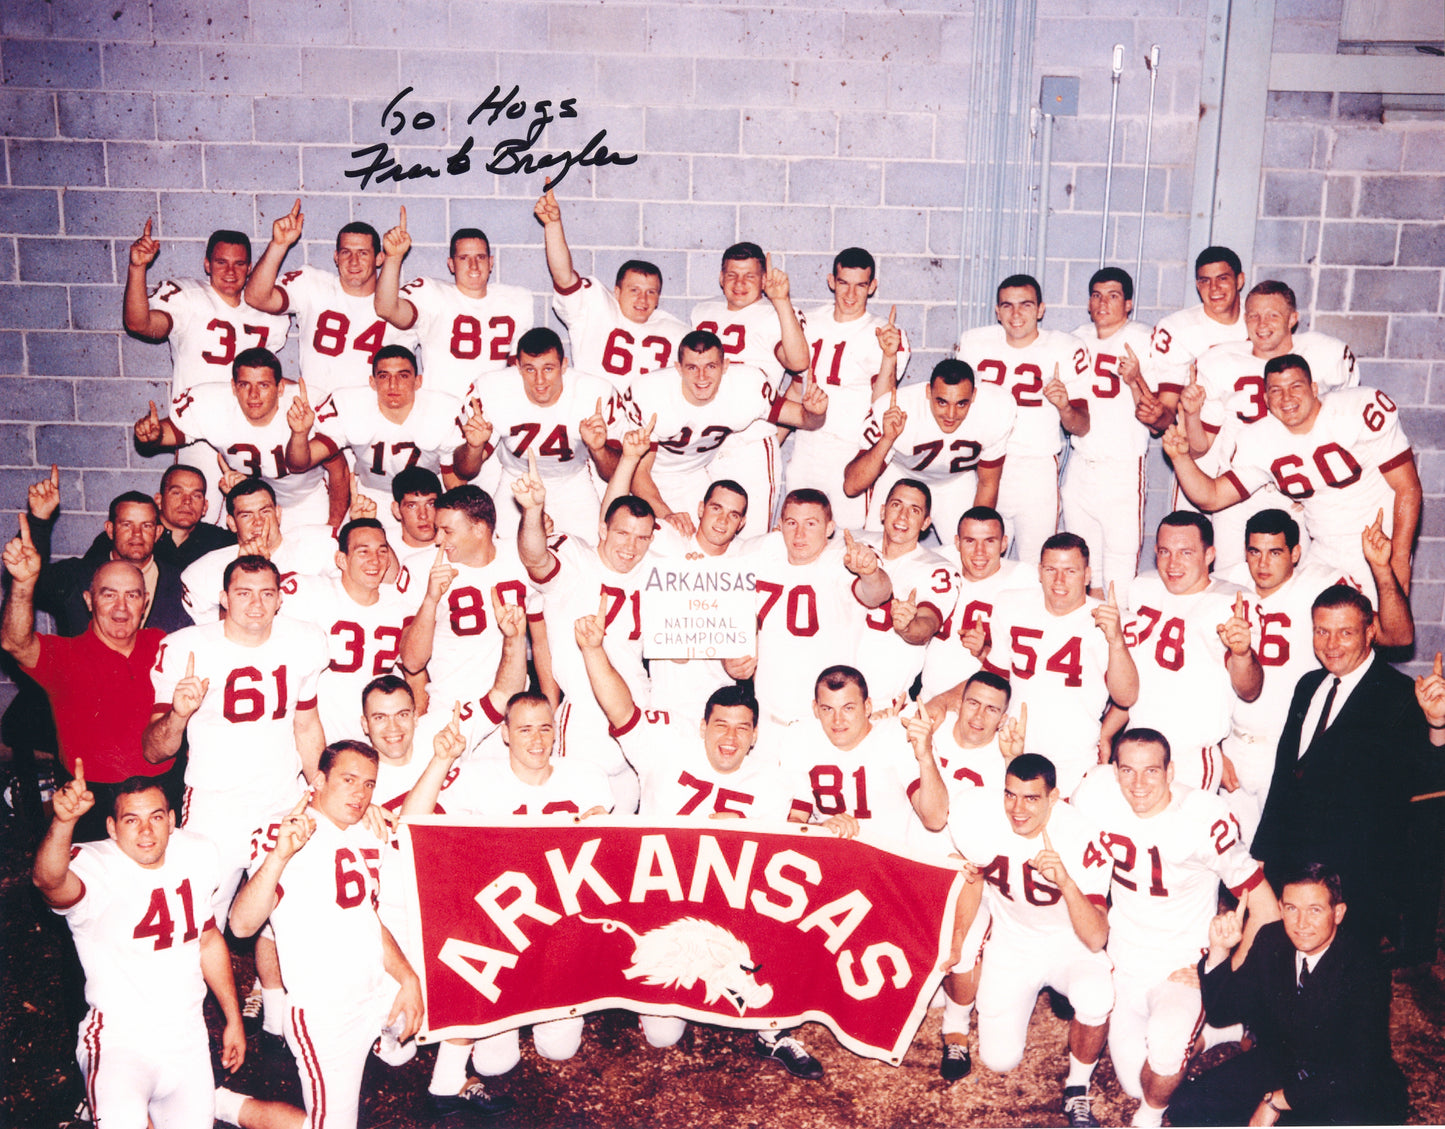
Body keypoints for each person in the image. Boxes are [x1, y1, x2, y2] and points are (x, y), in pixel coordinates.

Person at [574, 604, 823, 1078]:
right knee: (663, 1034)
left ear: (754, 736)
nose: (729, 739)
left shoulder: (770, 780)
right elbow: (620, 708)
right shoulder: (667, 749)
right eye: (721, 726)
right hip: (664, 902)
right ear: (703, 726)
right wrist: (593, 650)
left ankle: (774, 1028)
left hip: (731, 907)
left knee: (784, 920)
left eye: (742, 728)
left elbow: (790, 855)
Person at [145, 554, 329, 1043]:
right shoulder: (186, 648)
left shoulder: (303, 640)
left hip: (280, 796)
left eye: (267, 593)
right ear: (223, 598)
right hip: (213, 801)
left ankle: (280, 1013)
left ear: (280, 598)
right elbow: (154, 747)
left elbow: (306, 724)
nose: (255, 605)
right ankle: (173, 1024)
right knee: (198, 917)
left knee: (289, 905)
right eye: (243, 593)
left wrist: (321, 791)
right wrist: (180, 714)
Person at [216, 741, 437, 1129]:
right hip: (327, 1012)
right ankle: (223, 1105)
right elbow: (241, 926)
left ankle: (390, 1047)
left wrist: (407, 977)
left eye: (368, 784)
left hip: (376, 992)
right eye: (348, 780)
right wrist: (280, 856)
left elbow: (366, 919)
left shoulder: (366, 830)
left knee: (438, 1001)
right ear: (319, 780)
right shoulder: (282, 832)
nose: (360, 793)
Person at [1071, 729, 1279, 1128]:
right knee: (1136, 1081)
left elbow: (1266, 908)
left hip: (1182, 965)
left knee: (1163, 1057)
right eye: (1128, 770)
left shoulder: (1201, 817)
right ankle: (1221, 1028)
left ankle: (1148, 1119)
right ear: (1113, 771)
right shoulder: (1096, 795)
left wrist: (1225, 973)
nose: (1138, 784)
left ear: (1170, 772)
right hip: (1125, 958)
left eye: (1151, 771)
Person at [32, 771, 245, 1128]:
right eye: (132, 820)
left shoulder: (196, 852)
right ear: (112, 828)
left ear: (172, 821)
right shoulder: (96, 865)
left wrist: (233, 1018)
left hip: (187, 1040)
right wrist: (63, 822)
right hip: (120, 1042)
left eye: (156, 817)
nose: (146, 831)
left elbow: (207, 940)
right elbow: (48, 881)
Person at [1253, 584, 1432, 944]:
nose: (1331, 644)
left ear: (1370, 633)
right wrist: (1262, 853)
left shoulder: (1398, 695)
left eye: (1345, 633)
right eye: (1322, 631)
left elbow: (1423, 776)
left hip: (1357, 878)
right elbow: (1285, 774)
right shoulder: (1308, 684)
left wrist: (1439, 725)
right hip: (1294, 864)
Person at [1220, 508, 1411, 842]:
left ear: (1295, 553)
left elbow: (1396, 636)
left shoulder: (1322, 582)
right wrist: (1213, 746)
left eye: (1275, 552)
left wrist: (1381, 569)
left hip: (1287, 753)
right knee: (1229, 873)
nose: (1263, 564)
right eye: (1255, 552)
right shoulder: (1225, 584)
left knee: (1287, 866)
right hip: (1232, 748)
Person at [1167, 864, 1408, 1126]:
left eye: (1314, 910)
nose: (1301, 924)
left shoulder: (1364, 966)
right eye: (1292, 908)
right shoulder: (1271, 939)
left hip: (1344, 1085)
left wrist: (1276, 1101)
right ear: (1281, 907)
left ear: (1338, 913)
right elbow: (1222, 1012)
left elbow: (1357, 1068)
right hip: (1282, 1063)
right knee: (1187, 1105)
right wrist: (1219, 951)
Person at [1164, 353, 1421, 599]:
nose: (1286, 397)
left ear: (1314, 388)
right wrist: (1180, 458)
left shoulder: (1355, 409)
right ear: (1266, 398)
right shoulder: (1261, 439)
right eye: (1276, 390)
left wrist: (1398, 557)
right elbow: (1212, 497)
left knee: (1381, 634)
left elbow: (1407, 488)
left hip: (1378, 542)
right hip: (1323, 549)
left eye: (1296, 386)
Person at [947, 753, 1114, 1127]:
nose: (1017, 809)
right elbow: (973, 881)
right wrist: (958, 940)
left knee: (1096, 996)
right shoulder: (987, 818)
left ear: (1054, 798)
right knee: (999, 1059)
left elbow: (1096, 937)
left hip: (1070, 944)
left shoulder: (1081, 834)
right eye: (1010, 795)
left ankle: (1077, 1087)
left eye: (1031, 799)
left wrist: (1067, 883)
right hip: (1014, 942)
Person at [3, 515, 172, 840]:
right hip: (93, 799)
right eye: (108, 595)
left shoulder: (162, 644)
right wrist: (23, 584)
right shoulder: (65, 655)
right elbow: (14, 641)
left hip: (161, 793)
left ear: (145, 603)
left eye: (133, 596)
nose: (121, 607)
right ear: (88, 601)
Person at [1176, 280, 1358, 570]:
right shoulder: (1221, 361)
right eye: (1253, 315)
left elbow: (1342, 435)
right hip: (1235, 494)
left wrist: (1316, 486)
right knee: (1230, 579)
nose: (1261, 324)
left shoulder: (1325, 356)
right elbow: (1199, 448)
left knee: (1293, 586)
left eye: (1272, 314)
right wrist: (1192, 414)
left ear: (1293, 319)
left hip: (1293, 490)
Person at [515, 451, 658, 809]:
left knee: (625, 836)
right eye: (623, 533)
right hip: (584, 718)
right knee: (574, 824)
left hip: (638, 712)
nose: (630, 546)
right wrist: (532, 512)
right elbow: (536, 558)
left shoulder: (654, 568)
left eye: (642, 538)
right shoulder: (577, 558)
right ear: (602, 529)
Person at [123, 222, 292, 522]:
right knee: (193, 523)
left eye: (239, 264)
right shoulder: (188, 297)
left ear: (250, 267)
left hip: (253, 432)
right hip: (197, 433)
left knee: (251, 521)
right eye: (221, 262)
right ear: (206, 264)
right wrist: (137, 268)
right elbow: (140, 324)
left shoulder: (268, 312)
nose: (230, 272)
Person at [916, 670, 1025, 1081]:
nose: (979, 715)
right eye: (973, 703)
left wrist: (1015, 759)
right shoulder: (933, 732)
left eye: (992, 708)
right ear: (958, 702)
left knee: (962, 952)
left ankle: (956, 1027)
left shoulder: (1007, 759)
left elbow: (1021, 826)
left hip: (970, 877)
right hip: (917, 862)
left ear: (1003, 716)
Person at [621, 328, 828, 535]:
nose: (702, 376)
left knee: (709, 542)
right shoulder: (651, 393)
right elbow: (638, 472)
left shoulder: (747, 386)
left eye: (711, 366)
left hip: (696, 473)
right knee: (671, 539)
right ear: (678, 369)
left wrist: (815, 412)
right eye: (692, 367)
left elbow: (803, 419)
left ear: (725, 366)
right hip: (655, 476)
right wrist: (666, 514)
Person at [1112, 512, 1261, 793]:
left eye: (1186, 552)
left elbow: (1249, 690)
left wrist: (1242, 654)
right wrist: (1108, 732)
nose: (1173, 563)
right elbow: (1137, 674)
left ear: (1209, 556)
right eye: (1165, 552)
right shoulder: (1143, 587)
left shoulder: (1233, 601)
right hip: (1136, 747)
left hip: (1190, 755)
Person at [982, 533, 1138, 796]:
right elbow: (994, 679)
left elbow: (1127, 696)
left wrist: (1116, 641)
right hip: (1012, 747)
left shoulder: (1111, 619)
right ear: (1039, 572)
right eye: (1051, 570)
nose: (1059, 581)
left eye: (1070, 571)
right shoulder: (1010, 603)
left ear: (1087, 575)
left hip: (1072, 758)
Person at [724, 489, 894, 728]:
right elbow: (726, 607)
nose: (799, 534)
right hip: (766, 712)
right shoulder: (758, 553)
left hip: (826, 718)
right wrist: (730, 655)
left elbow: (878, 594)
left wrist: (870, 572)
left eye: (811, 524)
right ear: (780, 525)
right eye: (792, 523)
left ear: (829, 528)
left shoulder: (841, 559)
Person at [954, 273, 1090, 566]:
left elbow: (1081, 425)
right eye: (1007, 305)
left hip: (1036, 469)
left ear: (1041, 309)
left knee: (1036, 563)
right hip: (987, 466)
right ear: (997, 310)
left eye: (1025, 305)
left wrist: (1065, 405)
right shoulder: (974, 343)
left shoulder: (1064, 348)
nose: (1016, 314)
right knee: (982, 561)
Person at [135, 346, 347, 530]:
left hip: (304, 502)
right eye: (245, 385)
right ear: (234, 387)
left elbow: (339, 469)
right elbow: (171, 432)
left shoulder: (305, 407)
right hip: (249, 506)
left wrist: (334, 526)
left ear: (280, 388)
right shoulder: (215, 404)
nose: (253, 395)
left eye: (263, 385)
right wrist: (153, 435)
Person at [452, 325, 621, 535]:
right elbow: (463, 470)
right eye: (530, 369)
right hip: (516, 481)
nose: (539, 380)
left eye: (548, 368)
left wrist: (599, 449)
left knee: (591, 548)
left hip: (571, 482)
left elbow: (615, 472)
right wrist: (474, 447)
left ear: (564, 365)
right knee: (504, 548)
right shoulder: (492, 389)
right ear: (517, 367)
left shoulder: (595, 393)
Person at [787, 247, 910, 528]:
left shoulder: (886, 332)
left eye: (860, 285)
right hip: (807, 445)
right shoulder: (809, 322)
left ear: (873, 287)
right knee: (798, 532)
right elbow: (796, 386)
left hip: (851, 451)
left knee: (847, 538)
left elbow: (883, 402)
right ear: (831, 281)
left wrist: (889, 355)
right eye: (843, 283)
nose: (851, 295)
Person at [287, 344, 465, 537]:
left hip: (426, 499)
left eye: (403, 376)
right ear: (372, 382)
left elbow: (454, 482)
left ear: (417, 381)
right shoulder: (351, 405)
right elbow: (298, 464)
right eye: (384, 376)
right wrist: (299, 434)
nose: (393, 384)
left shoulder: (442, 409)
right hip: (372, 496)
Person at [244, 202, 418, 398]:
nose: (353, 261)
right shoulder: (312, 284)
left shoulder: (397, 307)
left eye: (363, 253)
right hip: (314, 413)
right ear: (336, 257)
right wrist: (279, 244)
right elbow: (255, 297)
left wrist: (395, 257)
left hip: (367, 417)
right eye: (346, 252)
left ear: (379, 259)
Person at [692, 242, 812, 523]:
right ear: (721, 278)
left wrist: (782, 301)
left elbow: (798, 362)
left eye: (749, 275)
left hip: (748, 443)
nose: (739, 283)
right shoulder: (701, 312)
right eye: (732, 274)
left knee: (750, 533)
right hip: (703, 441)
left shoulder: (775, 315)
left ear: (763, 280)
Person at [1063, 267, 1162, 603]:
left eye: (1113, 295)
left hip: (1121, 466)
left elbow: (1156, 418)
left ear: (1129, 303)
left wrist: (1135, 379)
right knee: (1081, 563)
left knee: (1119, 571)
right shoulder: (1077, 338)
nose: (1103, 303)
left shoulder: (1145, 339)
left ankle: (1117, 644)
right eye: (1096, 295)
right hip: (1080, 463)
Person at [842, 359, 1014, 546]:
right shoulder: (899, 407)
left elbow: (988, 482)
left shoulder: (995, 410)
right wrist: (887, 439)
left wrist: (977, 535)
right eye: (942, 402)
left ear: (974, 396)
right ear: (928, 392)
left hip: (955, 483)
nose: (951, 414)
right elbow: (851, 486)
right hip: (901, 477)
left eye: (961, 404)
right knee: (876, 550)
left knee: (970, 550)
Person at [396, 485, 533, 714]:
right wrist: (431, 600)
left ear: (479, 529)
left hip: (513, 704)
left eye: (447, 531)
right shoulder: (421, 567)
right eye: (437, 529)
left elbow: (542, 638)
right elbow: (411, 661)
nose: (438, 540)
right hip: (451, 704)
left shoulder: (519, 556)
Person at [534, 185, 689, 382]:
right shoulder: (595, 306)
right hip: (594, 410)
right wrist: (553, 225)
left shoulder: (677, 331)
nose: (643, 299)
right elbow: (563, 277)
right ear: (617, 292)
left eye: (651, 292)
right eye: (634, 290)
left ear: (659, 297)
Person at [374, 208, 533, 399]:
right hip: (439, 411)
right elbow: (386, 308)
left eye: (480, 257)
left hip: (489, 413)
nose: (474, 266)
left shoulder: (515, 300)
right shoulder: (432, 294)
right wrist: (393, 258)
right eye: (464, 258)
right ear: (451, 264)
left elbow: (519, 371)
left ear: (491, 263)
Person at [785, 665, 949, 844]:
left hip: (885, 860)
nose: (837, 720)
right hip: (827, 854)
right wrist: (821, 829)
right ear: (815, 709)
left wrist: (925, 757)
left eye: (848, 708)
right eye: (827, 709)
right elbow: (794, 822)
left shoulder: (895, 735)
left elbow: (935, 820)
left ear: (867, 706)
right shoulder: (801, 738)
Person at [284, 518, 413, 743]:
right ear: (341, 560)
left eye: (382, 552)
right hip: (318, 738)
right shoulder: (312, 593)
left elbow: (416, 676)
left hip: (381, 740)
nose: (375, 560)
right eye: (363, 552)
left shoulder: (400, 607)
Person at [25, 476, 190, 637]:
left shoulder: (180, 582)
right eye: (127, 525)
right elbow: (26, 580)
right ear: (110, 530)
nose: (137, 534)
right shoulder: (77, 575)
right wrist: (38, 520)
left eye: (146, 526)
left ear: (158, 533)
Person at [849, 479, 960, 711]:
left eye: (914, 510)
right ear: (882, 511)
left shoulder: (937, 569)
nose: (902, 517)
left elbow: (927, 624)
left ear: (925, 523)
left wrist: (907, 626)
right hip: (832, 693)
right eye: (896, 505)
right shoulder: (853, 545)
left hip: (884, 703)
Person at [180, 478, 339, 624]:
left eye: (265, 512)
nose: (258, 522)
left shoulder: (317, 544)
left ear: (278, 514)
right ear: (232, 523)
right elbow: (216, 638)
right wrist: (242, 572)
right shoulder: (203, 571)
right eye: (247, 515)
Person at [919, 506, 1033, 701]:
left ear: (1004, 544)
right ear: (957, 543)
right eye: (970, 541)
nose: (979, 552)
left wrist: (983, 652)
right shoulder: (938, 566)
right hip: (926, 697)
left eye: (989, 541)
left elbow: (1022, 667)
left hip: (980, 706)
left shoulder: (1022, 581)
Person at [1148, 246, 1248, 404]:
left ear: (1239, 281)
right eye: (1205, 280)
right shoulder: (1177, 328)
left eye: (1222, 278)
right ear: (1197, 285)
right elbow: (1167, 409)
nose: (1214, 288)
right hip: (1198, 424)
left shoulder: (1260, 318)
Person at [151, 464, 238, 570]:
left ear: (205, 507)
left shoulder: (214, 539)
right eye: (177, 493)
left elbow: (254, 539)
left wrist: (241, 493)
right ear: (159, 500)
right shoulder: (142, 535)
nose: (187, 501)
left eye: (196, 496)